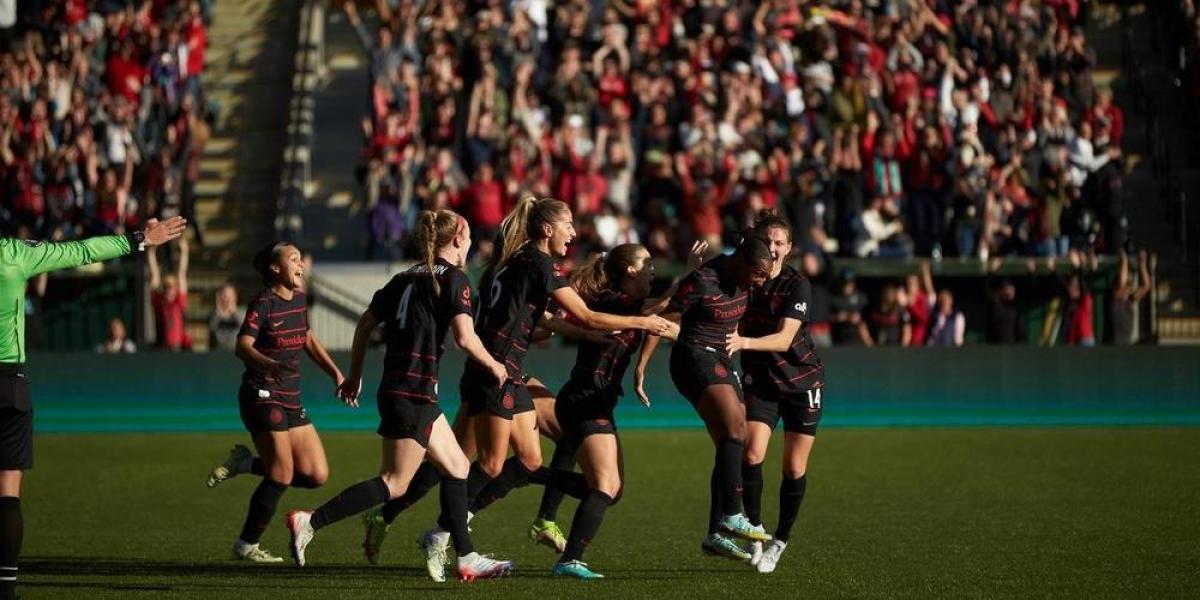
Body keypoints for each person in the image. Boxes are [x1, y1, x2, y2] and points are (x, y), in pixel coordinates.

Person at [414, 195, 670, 580]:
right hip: (496, 369)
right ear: (547, 229)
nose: (573, 231)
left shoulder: (516, 261)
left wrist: (587, 332)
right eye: (567, 223)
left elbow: (547, 320)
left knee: (531, 461)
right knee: (490, 463)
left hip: (510, 371)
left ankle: (450, 526)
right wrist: (643, 324)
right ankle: (444, 533)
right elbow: (582, 313)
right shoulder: (538, 262)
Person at [284, 210, 512, 582]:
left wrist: (355, 373)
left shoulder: (403, 278)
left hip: (398, 386)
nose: (471, 242)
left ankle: (466, 556)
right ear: (457, 238)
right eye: (468, 234)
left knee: (456, 466)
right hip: (415, 389)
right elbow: (465, 338)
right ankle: (310, 520)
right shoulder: (455, 279)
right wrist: (495, 365)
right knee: (394, 482)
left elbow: (365, 322)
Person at [0, 216, 187, 600]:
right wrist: (139, 240)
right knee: (7, 491)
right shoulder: (13, 254)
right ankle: (4, 588)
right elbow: (80, 251)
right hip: (8, 384)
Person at [635, 232, 776, 560]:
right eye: (756, 273)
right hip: (692, 357)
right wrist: (641, 365)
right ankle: (731, 514)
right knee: (736, 429)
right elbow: (664, 319)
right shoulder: (703, 279)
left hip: (723, 362)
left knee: (731, 443)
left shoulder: (746, 280)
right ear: (741, 261)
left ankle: (715, 533)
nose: (758, 282)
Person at [203, 242, 345, 563]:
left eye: (300, 259)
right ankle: (245, 545)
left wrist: (336, 373)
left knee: (316, 475)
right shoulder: (262, 304)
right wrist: (266, 364)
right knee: (281, 473)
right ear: (275, 268)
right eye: (293, 259)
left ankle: (245, 464)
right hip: (260, 394)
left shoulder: (298, 298)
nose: (300, 264)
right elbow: (242, 346)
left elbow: (307, 338)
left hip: (291, 396)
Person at [549, 243, 678, 579]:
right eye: (647, 263)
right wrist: (691, 275)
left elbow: (658, 317)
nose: (653, 269)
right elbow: (655, 310)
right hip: (584, 397)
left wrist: (640, 370)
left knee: (612, 490)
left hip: (597, 400)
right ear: (630, 271)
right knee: (605, 485)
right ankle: (570, 560)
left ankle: (529, 473)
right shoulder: (610, 301)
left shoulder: (631, 308)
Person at [724, 210, 825, 573]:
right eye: (768, 242)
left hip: (802, 383)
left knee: (794, 467)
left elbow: (784, 339)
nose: (774, 248)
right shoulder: (745, 280)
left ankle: (780, 540)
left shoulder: (797, 285)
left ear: (789, 248)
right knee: (751, 454)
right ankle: (755, 531)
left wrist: (742, 342)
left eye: (780, 243)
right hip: (763, 383)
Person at [148, 236, 192, 351]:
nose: (169, 290)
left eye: (172, 287)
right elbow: (155, 277)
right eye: (167, 287)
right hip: (162, 346)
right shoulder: (159, 302)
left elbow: (182, 274)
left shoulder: (179, 301)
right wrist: (151, 253)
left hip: (180, 346)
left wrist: (184, 251)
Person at [1110, 249, 1150, 345]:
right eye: (1125, 287)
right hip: (1113, 344)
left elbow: (1146, 286)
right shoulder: (1114, 298)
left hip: (1126, 343)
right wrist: (1124, 260)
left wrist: (1142, 265)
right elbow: (1122, 283)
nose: (1127, 289)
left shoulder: (1129, 300)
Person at [209, 283, 243, 351]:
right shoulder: (214, 315)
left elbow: (245, 331)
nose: (227, 299)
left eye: (229, 296)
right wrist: (218, 311)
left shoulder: (242, 314)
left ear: (235, 297)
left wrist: (234, 312)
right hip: (218, 353)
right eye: (224, 295)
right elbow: (212, 331)